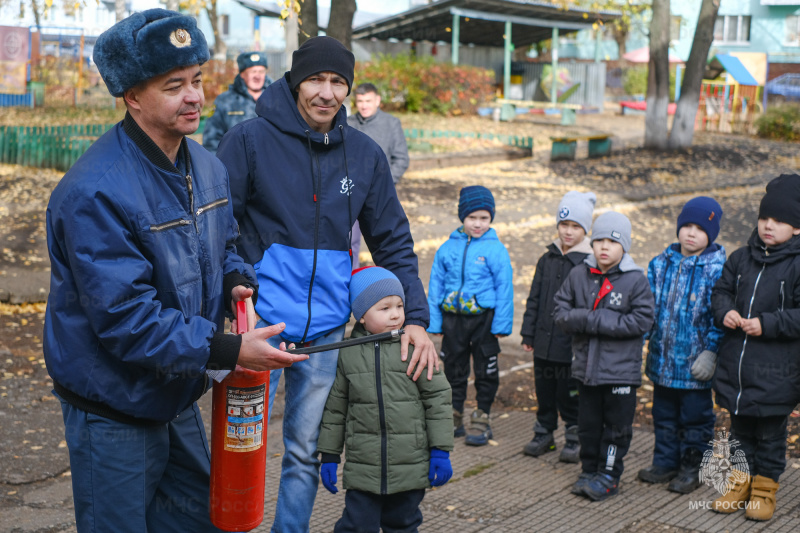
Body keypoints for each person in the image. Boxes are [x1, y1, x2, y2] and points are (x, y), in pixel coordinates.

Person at [42, 10, 306, 533]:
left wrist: (236, 281)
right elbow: (126, 318)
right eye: (173, 86)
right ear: (132, 97)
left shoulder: (206, 166)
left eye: (197, 80)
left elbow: (224, 244)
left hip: (178, 392)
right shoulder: (95, 191)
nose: (194, 97)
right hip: (113, 408)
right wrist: (230, 350)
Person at [215, 35, 438, 533]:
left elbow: (394, 241)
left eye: (339, 82)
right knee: (235, 445)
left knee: (304, 452)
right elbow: (218, 229)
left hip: (326, 337)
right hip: (259, 331)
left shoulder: (364, 155)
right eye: (316, 78)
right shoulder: (248, 142)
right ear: (295, 81)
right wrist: (234, 289)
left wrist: (417, 318)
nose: (326, 92)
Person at [317, 266, 454, 532]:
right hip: (363, 468)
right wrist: (330, 455)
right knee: (356, 526)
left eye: (399, 306)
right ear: (362, 316)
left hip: (410, 466)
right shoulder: (348, 353)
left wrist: (441, 450)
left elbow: (438, 399)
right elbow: (336, 408)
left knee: (402, 524)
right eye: (384, 308)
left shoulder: (416, 349)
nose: (395, 314)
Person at [709, 174, 800, 521]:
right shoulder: (740, 258)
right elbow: (720, 292)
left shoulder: (796, 265)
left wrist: (768, 323)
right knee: (740, 431)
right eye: (764, 218)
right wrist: (725, 311)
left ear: (797, 228)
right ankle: (739, 481)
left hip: (777, 373)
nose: (768, 226)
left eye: (779, 221)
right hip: (739, 370)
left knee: (771, 436)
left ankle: (764, 490)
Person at [554, 212, 654, 502]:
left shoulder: (635, 281)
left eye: (613, 241)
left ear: (625, 246)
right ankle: (589, 469)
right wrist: (586, 317)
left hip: (620, 374)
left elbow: (642, 321)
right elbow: (560, 312)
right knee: (588, 425)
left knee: (616, 429)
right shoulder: (578, 275)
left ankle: (609, 475)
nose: (604, 247)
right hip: (586, 371)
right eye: (599, 241)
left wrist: (595, 320)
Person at [638, 197, 726, 495]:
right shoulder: (659, 265)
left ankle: (693, 466)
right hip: (662, 363)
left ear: (711, 234)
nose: (691, 233)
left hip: (694, 367)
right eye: (686, 225)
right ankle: (665, 461)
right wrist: (639, 341)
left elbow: (720, 317)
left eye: (699, 229)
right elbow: (646, 309)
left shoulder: (717, 270)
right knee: (663, 415)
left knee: (696, 419)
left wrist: (712, 351)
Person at [427, 185, 514, 446]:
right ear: (462, 217)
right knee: (454, 367)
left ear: (491, 218)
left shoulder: (496, 249)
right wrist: (434, 320)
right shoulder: (446, 249)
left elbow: (505, 287)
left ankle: (482, 414)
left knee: (486, 367)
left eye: (484, 218)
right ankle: (454, 413)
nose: (478, 224)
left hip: (484, 320)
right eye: (472, 218)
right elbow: (435, 285)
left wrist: (501, 323)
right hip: (454, 319)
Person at [520, 191, 596, 462]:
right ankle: (544, 434)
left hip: (570, 347)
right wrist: (528, 332)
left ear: (585, 229)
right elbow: (534, 298)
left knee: (570, 394)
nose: (568, 231)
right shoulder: (547, 259)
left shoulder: (589, 264)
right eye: (564, 225)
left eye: (576, 226)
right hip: (543, 343)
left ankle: (575, 437)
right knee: (545, 392)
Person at [346, 82, 410, 267]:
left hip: (380, 195)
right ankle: (351, 280)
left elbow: (401, 159)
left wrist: (385, 185)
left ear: (377, 101)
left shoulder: (391, 124)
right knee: (349, 242)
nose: (364, 105)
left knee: (388, 243)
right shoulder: (348, 123)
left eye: (368, 100)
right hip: (350, 195)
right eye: (360, 101)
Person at [202, 51, 272, 154]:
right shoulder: (225, 101)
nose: (257, 76)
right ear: (243, 74)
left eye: (261, 71)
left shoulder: (277, 98)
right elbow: (211, 142)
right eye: (253, 72)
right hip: (236, 166)